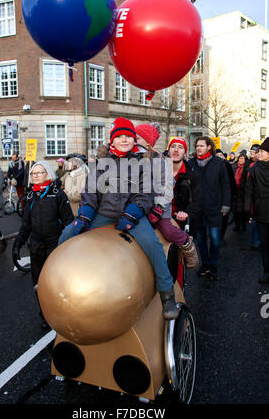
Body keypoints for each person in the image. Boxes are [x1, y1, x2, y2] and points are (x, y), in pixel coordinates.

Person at [58, 117, 179, 320]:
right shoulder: (101, 164)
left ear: (134, 141)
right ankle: (52, 278)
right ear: (112, 141)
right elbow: (90, 191)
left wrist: (131, 215)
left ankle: (167, 295)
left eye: (128, 137)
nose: (124, 140)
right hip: (103, 214)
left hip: (131, 216)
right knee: (68, 232)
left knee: (153, 245)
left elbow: (144, 193)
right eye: (119, 136)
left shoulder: (142, 163)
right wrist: (85, 215)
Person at [12, 160, 74, 327]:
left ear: (48, 174)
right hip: (37, 246)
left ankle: (61, 312)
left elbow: (69, 222)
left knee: (56, 283)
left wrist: (68, 246)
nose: (36, 176)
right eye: (33, 173)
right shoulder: (30, 196)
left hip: (55, 245)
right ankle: (45, 314)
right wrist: (17, 244)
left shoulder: (58, 194)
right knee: (38, 283)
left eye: (40, 172)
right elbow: (26, 225)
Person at [135, 123, 199, 270]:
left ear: (148, 142)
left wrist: (157, 210)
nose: (133, 140)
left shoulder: (158, 160)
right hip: (140, 203)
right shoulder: (133, 157)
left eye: (137, 138)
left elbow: (166, 187)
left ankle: (186, 243)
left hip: (160, 204)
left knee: (167, 230)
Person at [189, 137, 231, 280]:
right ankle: (205, 264)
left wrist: (226, 205)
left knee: (215, 239)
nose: (198, 148)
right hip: (197, 209)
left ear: (209, 147)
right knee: (200, 239)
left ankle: (213, 265)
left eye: (201, 146)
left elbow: (225, 185)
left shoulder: (219, 163)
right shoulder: (191, 163)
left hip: (214, 208)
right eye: (197, 146)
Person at [244, 137, 269, 283]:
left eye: (262, 151)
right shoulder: (253, 169)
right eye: (258, 151)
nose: (258, 153)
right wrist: (248, 211)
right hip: (260, 213)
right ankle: (267, 270)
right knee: (265, 244)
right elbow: (249, 191)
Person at [167, 137, 201, 238]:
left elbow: (197, 201)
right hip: (159, 219)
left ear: (185, 153)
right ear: (168, 151)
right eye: (173, 147)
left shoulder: (192, 175)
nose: (176, 150)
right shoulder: (158, 172)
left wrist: (186, 213)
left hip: (182, 223)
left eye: (180, 147)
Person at [216, 149, 237, 239]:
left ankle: (221, 234)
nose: (220, 157)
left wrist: (233, 194)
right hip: (215, 196)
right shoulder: (211, 166)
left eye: (221, 155)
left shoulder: (227, 165)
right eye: (217, 155)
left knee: (224, 216)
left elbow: (232, 181)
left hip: (226, 195)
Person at [232, 153, 247, 232]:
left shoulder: (247, 168)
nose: (241, 160)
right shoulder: (234, 166)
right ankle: (237, 224)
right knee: (235, 210)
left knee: (241, 211)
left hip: (243, 192)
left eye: (243, 158)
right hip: (235, 192)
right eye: (240, 158)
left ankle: (243, 224)